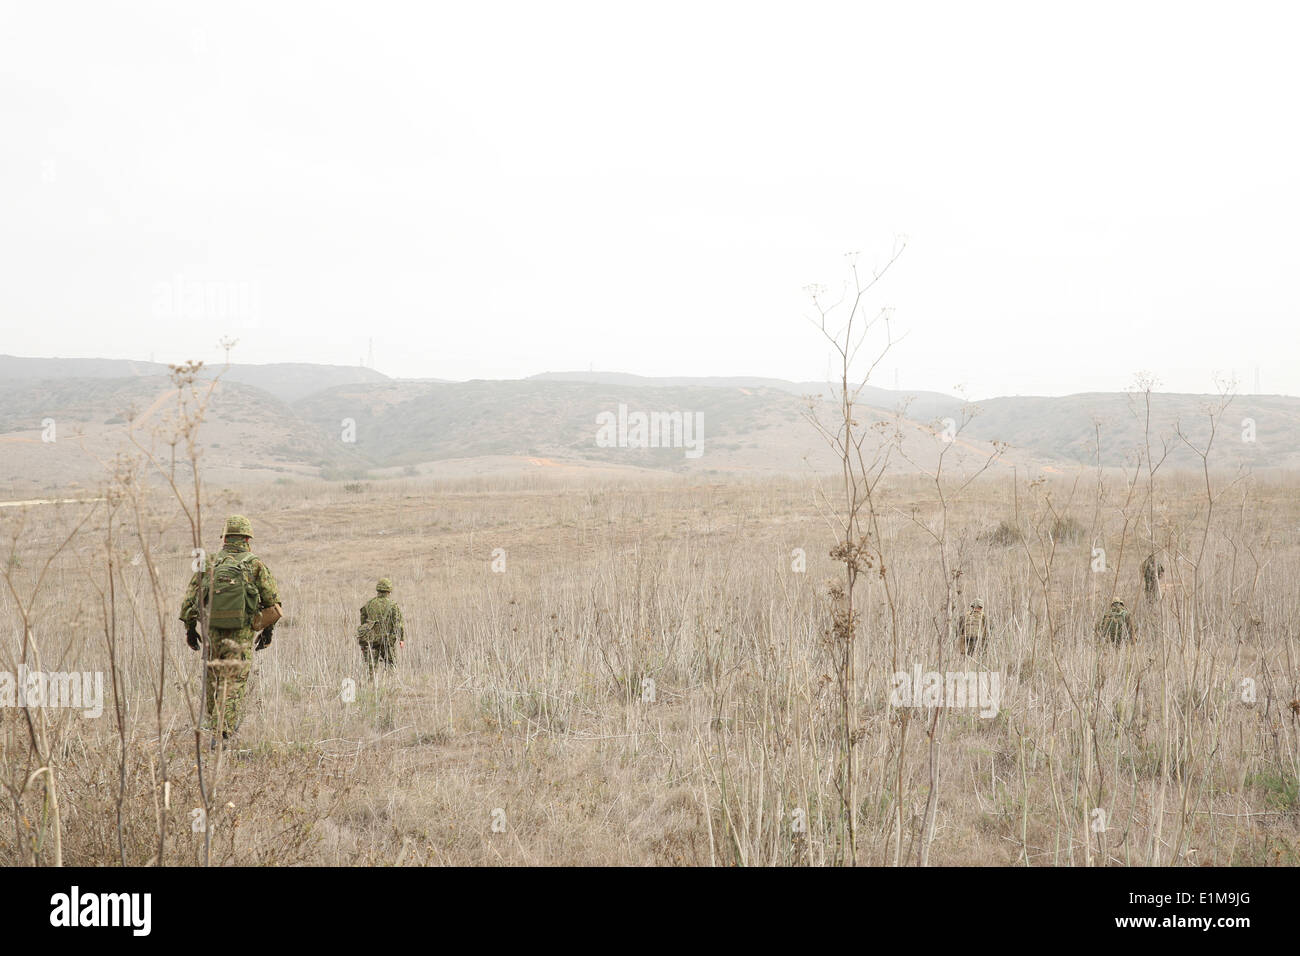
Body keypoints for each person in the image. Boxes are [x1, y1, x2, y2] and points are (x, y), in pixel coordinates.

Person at [179, 515, 281, 742]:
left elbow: (189, 600)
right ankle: (221, 732)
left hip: (211, 633)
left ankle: (215, 726)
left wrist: (189, 629)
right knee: (233, 682)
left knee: (213, 679)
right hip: (241, 635)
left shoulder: (209, 563)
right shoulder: (255, 564)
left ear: (224, 538)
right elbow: (273, 603)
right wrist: (267, 631)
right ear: (247, 538)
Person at [358, 577, 404, 673]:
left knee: (371, 668)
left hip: (371, 641)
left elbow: (363, 623)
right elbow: (398, 624)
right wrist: (401, 639)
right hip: (387, 641)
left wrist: (363, 641)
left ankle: (370, 685)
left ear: (378, 590)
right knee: (391, 665)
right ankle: (391, 684)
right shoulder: (393, 605)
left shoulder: (369, 604)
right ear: (389, 591)